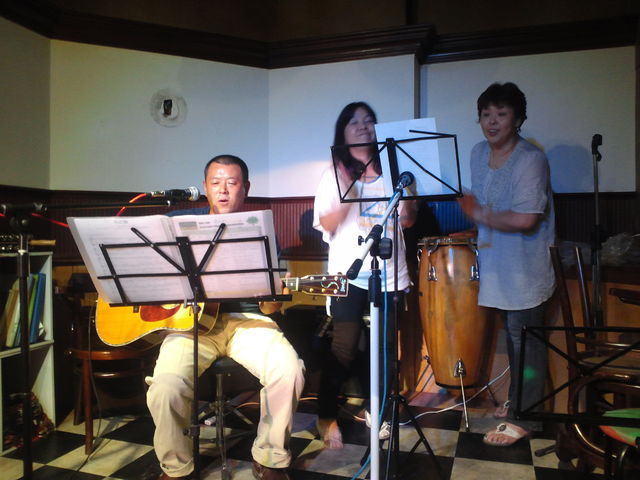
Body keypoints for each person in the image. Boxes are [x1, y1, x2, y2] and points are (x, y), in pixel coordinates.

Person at [146, 155, 305, 479]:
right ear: (204, 187)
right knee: (166, 385)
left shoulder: (260, 231)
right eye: (216, 182)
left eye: (232, 183)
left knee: (289, 370)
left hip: (248, 322)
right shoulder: (177, 224)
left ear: (245, 188)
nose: (223, 190)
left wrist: (273, 297)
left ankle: (270, 458)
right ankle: (176, 467)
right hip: (190, 323)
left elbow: (270, 308)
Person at [312, 102, 417, 449]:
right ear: (342, 131)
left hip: (389, 272)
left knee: (385, 348)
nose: (363, 126)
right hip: (349, 271)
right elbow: (326, 223)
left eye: (369, 120)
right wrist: (350, 191)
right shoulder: (334, 173)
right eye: (354, 121)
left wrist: (409, 193)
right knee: (343, 347)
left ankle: (379, 411)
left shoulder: (394, 168)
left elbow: (407, 221)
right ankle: (326, 415)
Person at [457, 82, 555, 447]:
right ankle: (518, 401)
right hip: (496, 262)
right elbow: (484, 206)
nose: (492, 121)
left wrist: (479, 214)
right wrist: (476, 221)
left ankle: (526, 418)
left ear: (518, 119)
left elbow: (527, 218)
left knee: (526, 341)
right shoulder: (477, 152)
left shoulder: (531, 158)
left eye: (501, 114)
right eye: (486, 114)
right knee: (514, 338)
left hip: (525, 264)